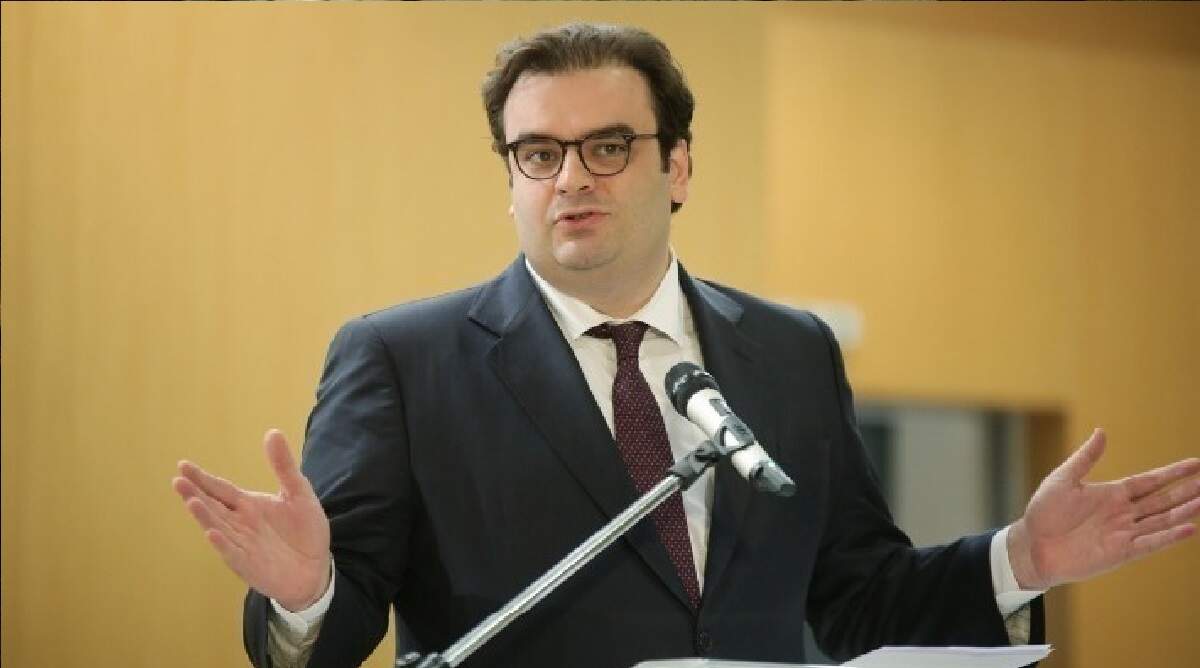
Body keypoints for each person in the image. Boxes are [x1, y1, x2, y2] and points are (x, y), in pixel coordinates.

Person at [172, 23, 1200, 668]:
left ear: (680, 167)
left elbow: (855, 597)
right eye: (538, 152)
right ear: (510, 179)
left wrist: (1022, 558)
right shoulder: (403, 360)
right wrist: (307, 591)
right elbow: (336, 632)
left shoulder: (791, 353)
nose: (571, 178)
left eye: (608, 146)